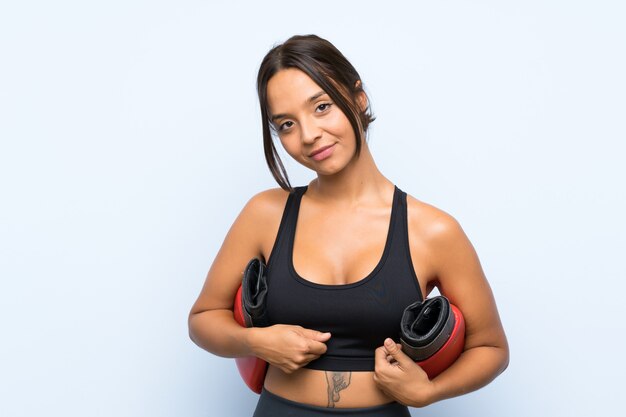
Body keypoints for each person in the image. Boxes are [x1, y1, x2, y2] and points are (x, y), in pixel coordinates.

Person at [188, 34, 509, 416]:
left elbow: (491, 349)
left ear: (359, 97)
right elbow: (203, 320)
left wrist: (429, 392)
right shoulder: (265, 214)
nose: (308, 135)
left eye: (321, 107)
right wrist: (256, 341)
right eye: (287, 124)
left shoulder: (432, 230)